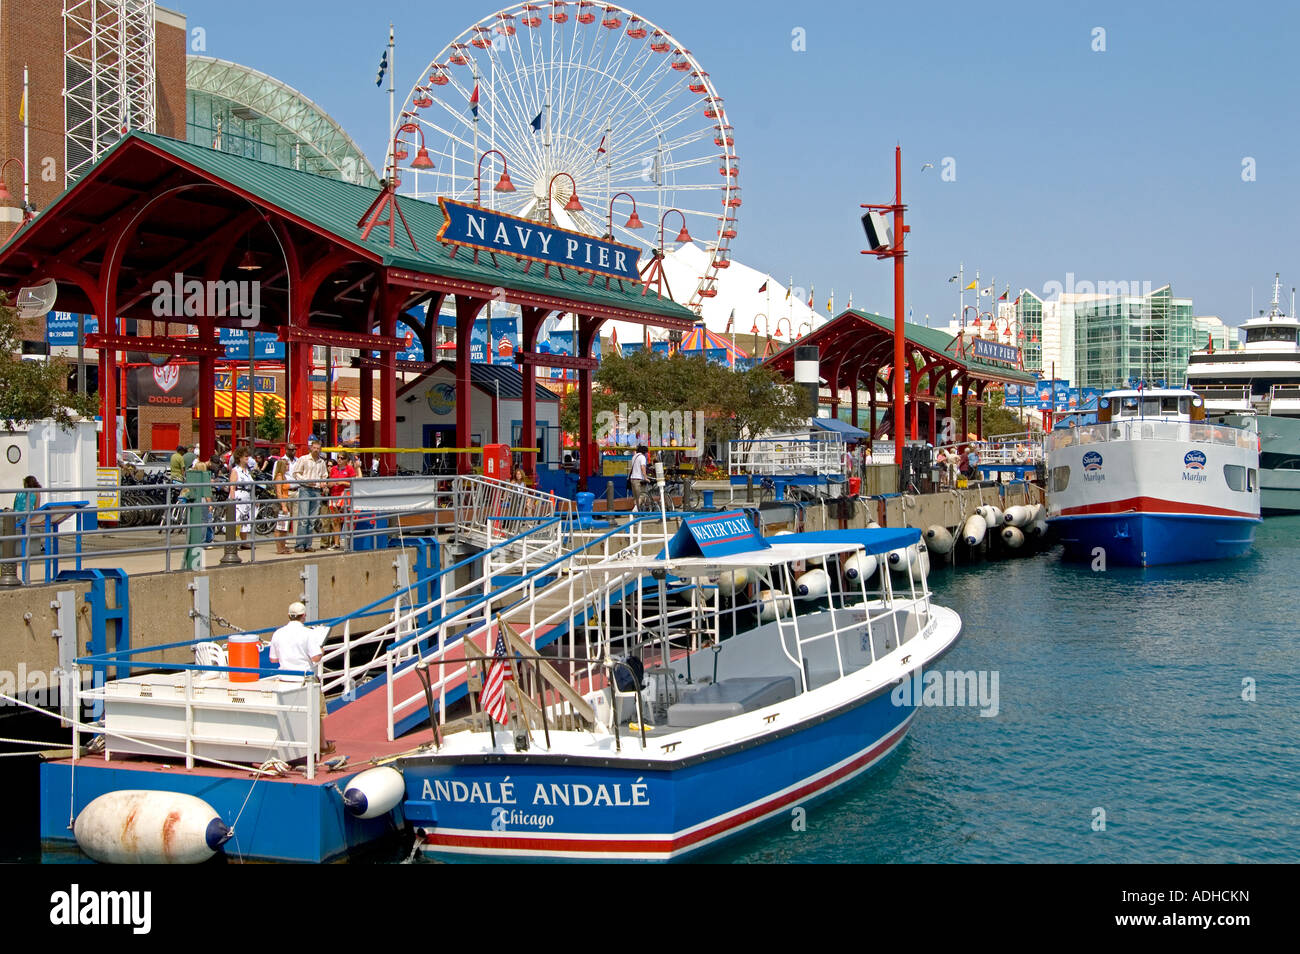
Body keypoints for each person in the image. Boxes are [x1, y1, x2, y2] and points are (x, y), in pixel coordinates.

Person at [268, 601, 333, 755]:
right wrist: (321, 649)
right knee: (317, 712)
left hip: (284, 679)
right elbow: (316, 658)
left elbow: (273, 659)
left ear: (289, 616)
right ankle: (322, 745)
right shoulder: (308, 634)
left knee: (287, 713)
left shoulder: (278, 633)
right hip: (305, 679)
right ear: (304, 616)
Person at [289, 438, 328, 552]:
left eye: (318, 448)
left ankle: (308, 544)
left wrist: (322, 483)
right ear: (311, 448)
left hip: (316, 490)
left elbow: (324, 475)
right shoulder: (304, 459)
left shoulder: (321, 462)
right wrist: (306, 481)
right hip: (305, 489)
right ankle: (300, 545)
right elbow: (296, 473)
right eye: (314, 448)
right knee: (303, 518)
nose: (316, 450)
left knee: (312, 519)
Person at [323, 452, 357, 550]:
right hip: (334, 495)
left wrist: (342, 482)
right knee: (335, 521)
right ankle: (336, 543)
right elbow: (329, 482)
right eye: (338, 458)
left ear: (346, 460)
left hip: (345, 497)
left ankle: (349, 543)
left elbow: (354, 483)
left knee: (347, 520)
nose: (339, 460)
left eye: (342, 458)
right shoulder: (334, 469)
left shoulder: (350, 469)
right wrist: (330, 484)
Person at [228, 446, 254, 548]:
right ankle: (232, 542)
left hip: (247, 496)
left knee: (245, 520)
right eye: (245, 456)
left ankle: (244, 542)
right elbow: (232, 487)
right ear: (240, 458)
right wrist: (232, 500)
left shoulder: (247, 471)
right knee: (237, 519)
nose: (247, 458)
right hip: (239, 495)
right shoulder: (236, 470)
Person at [272, 457, 293, 553]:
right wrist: (283, 505)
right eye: (286, 465)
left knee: (285, 527)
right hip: (281, 503)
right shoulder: (279, 476)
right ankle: (279, 548)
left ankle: (283, 546)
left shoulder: (285, 476)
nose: (288, 466)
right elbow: (278, 492)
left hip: (286, 501)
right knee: (279, 527)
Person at [629, 443, 648, 508]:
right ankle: (635, 510)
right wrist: (645, 477)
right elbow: (642, 467)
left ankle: (636, 512)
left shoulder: (634, 456)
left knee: (636, 497)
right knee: (643, 495)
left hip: (632, 479)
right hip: (639, 480)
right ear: (644, 452)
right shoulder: (642, 457)